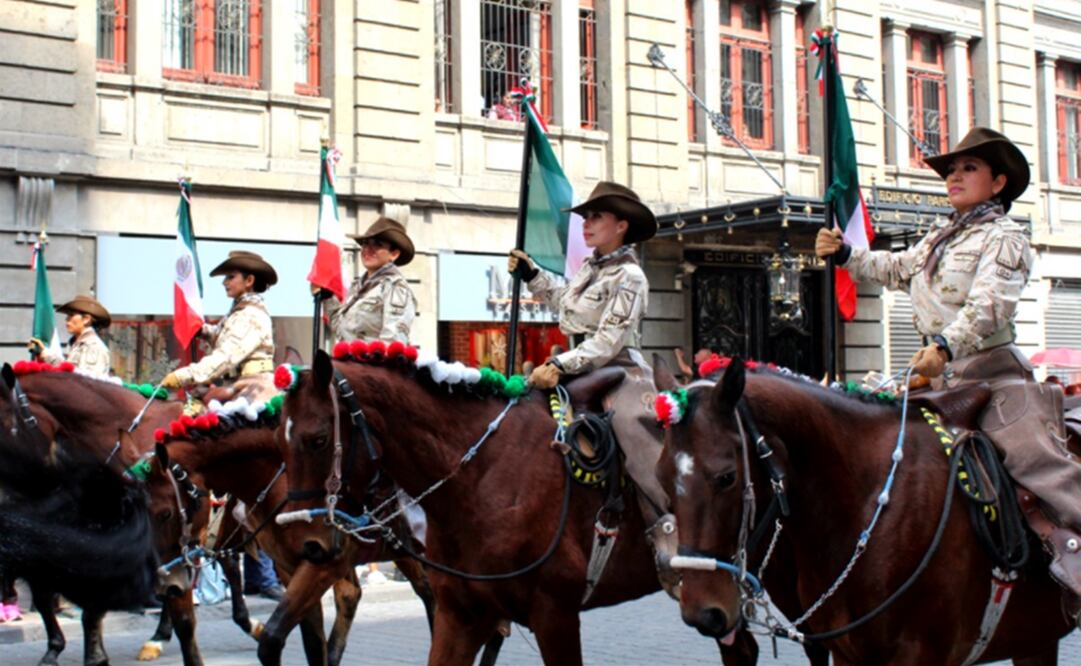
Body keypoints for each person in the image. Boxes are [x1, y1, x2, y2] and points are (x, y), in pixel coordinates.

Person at [816, 127, 1081, 608]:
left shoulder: (1006, 237)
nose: (954, 177)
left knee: (1036, 460)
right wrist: (847, 255)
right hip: (936, 377)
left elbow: (989, 306)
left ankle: (1073, 551)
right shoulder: (939, 236)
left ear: (998, 182)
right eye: (951, 170)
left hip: (993, 373)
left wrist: (944, 344)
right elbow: (896, 269)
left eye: (969, 169)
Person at [507, 181, 678, 587]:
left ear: (621, 225)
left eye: (596, 216)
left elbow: (607, 340)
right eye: (585, 216)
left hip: (619, 369)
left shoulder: (631, 276)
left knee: (636, 439)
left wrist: (559, 363)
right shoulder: (591, 268)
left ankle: (670, 535)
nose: (587, 224)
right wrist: (533, 274)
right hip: (576, 366)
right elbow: (566, 303)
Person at [161, 251, 277, 403]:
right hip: (240, 384)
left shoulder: (250, 315)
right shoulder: (240, 311)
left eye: (231, 277)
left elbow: (226, 356)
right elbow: (222, 335)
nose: (224, 282)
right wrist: (201, 330)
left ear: (249, 280)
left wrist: (185, 375)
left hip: (254, 391)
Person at [325, 217, 417, 344]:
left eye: (378, 244)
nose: (368, 249)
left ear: (394, 254)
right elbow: (341, 329)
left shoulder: (395, 288)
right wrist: (328, 296)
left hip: (372, 363)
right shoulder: (357, 287)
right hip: (350, 361)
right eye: (365, 243)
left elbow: (393, 341)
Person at [29, 295, 112, 378]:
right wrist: (44, 354)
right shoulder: (75, 344)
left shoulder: (94, 347)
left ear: (86, 319)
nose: (67, 319)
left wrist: (50, 357)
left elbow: (87, 382)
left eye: (71, 315)